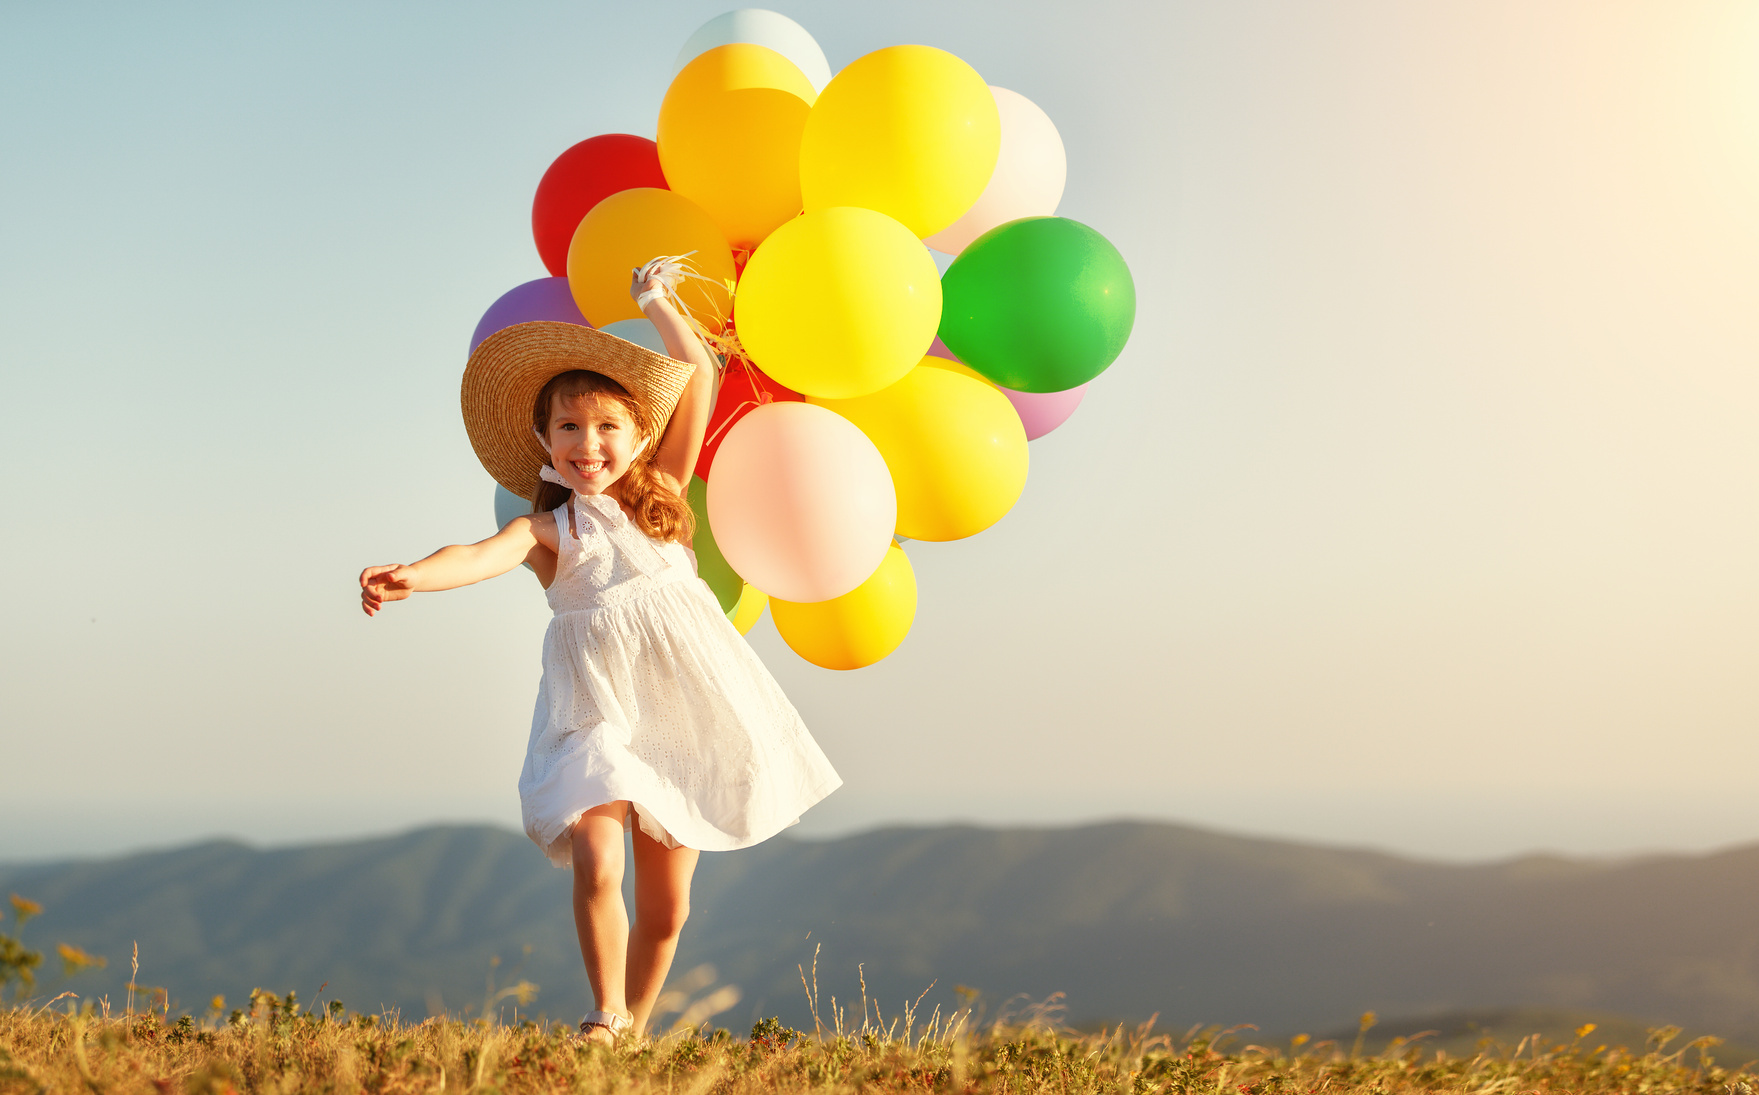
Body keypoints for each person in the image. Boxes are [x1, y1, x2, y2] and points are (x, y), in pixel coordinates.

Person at [358, 263, 841, 1044]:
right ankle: (602, 1013)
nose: (589, 444)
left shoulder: (664, 502)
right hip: (597, 716)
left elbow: (701, 380)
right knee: (594, 849)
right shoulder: (552, 532)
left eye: (607, 426)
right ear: (545, 442)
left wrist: (658, 305)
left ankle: (630, 1036)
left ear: (638, 435)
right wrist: (414, 573)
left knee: (668, 907)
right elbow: (479, 551)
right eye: (569, 429)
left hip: (685, 719)